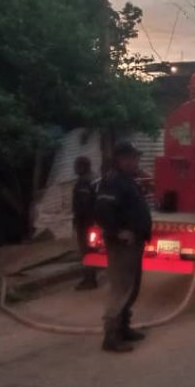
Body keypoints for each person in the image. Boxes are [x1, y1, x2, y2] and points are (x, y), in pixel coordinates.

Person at [95, 141, 152, 353]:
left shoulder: (127, 180)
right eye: (133, 158)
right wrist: (118, 231)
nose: (137, 161)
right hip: (121, 244)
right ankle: (111, 337)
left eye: (136, 158)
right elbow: (102, 211)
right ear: (122, 160)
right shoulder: (113, 181)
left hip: (134, 241)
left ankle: (124, 328)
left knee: (132, 286)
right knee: (120, 288)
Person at [72, 156, 99, 291]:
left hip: (86, 223)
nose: (74, 168)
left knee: (86, 252)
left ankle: (90, 280)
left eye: (76, 165)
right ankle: (91, 278)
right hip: (95, 222)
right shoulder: (95, 177)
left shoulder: (84, 182)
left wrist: (78, 222)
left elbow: (84, 204)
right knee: (92, 250)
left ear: (82, 166)